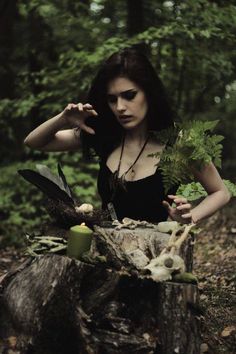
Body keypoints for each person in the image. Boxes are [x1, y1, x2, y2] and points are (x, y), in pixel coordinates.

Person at [24, 47, 230, 224]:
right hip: (109, 252)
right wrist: (63, 118)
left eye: (129, 96)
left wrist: (190, 217)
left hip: (160, 256)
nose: (120, 107)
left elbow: (221, 192)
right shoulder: (104, 134)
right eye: (112, 99)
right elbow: (34, 142)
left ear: (149, 93)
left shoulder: (179, 141)